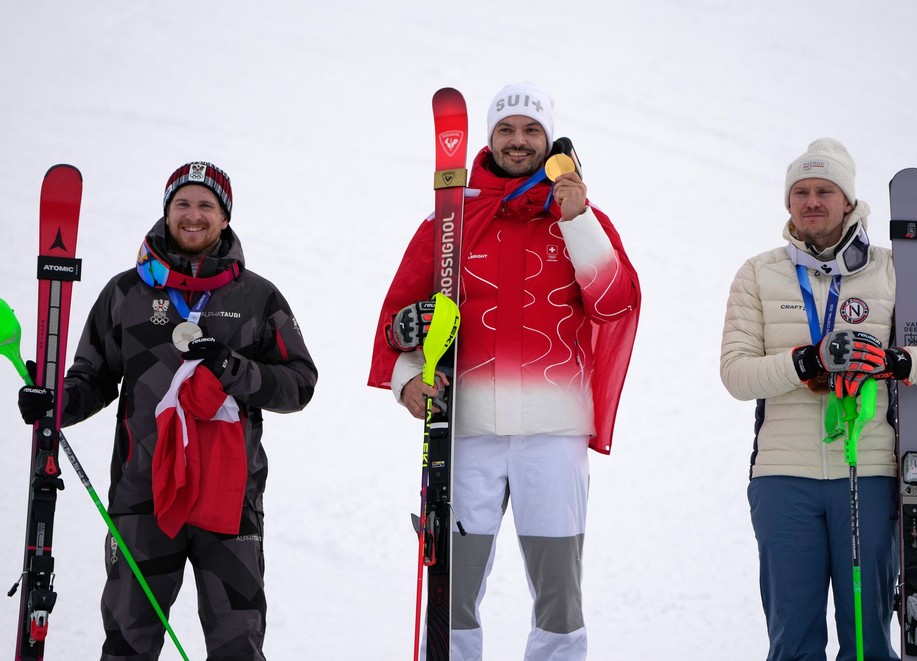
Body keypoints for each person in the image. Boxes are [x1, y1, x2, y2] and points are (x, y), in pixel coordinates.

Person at [368, 82, 640, 660]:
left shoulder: (577, 216)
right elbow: (407, 316)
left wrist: (578, 219)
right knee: (453, 589)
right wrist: (408, 380)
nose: (518, 141)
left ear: (549, 141)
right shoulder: (453, 219)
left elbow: (614, 303)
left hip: (554, 433)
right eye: (506, 130)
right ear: (489, 140)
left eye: (531, 130)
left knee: (559, 593)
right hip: (466, 433)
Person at [17, 161, 318, 660]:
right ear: (166, 211)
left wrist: (229, 367)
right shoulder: (128, 293)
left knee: (237, 648)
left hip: (229, 503)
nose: (193, 215)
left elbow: (300, 385)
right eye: (183, 203)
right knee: (128, 645)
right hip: (143, 499)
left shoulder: (257, 298)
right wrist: (54, 403)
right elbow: (92, 379)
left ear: (224, 218)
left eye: (206, 205)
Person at [720, 138, 917, 660]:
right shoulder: (759, 273)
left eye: (825, 191)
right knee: (793, 636)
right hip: (783, 477)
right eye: (802, 191)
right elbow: (736, 374)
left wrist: (896, 361)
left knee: (867, 637)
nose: (813, 201)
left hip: (872, 472)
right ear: (788, 203)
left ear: (848, 201)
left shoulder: (891, 269)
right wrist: (805, 361)